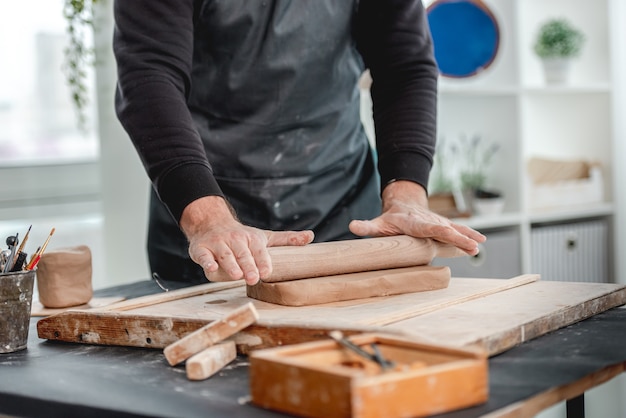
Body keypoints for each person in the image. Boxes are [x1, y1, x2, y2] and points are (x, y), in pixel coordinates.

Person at [113, 0, 486, 286]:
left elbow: (403, 67)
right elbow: (149, 75)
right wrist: (207, 219)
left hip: (341, 208)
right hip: (206, 212)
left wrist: (406, 196)